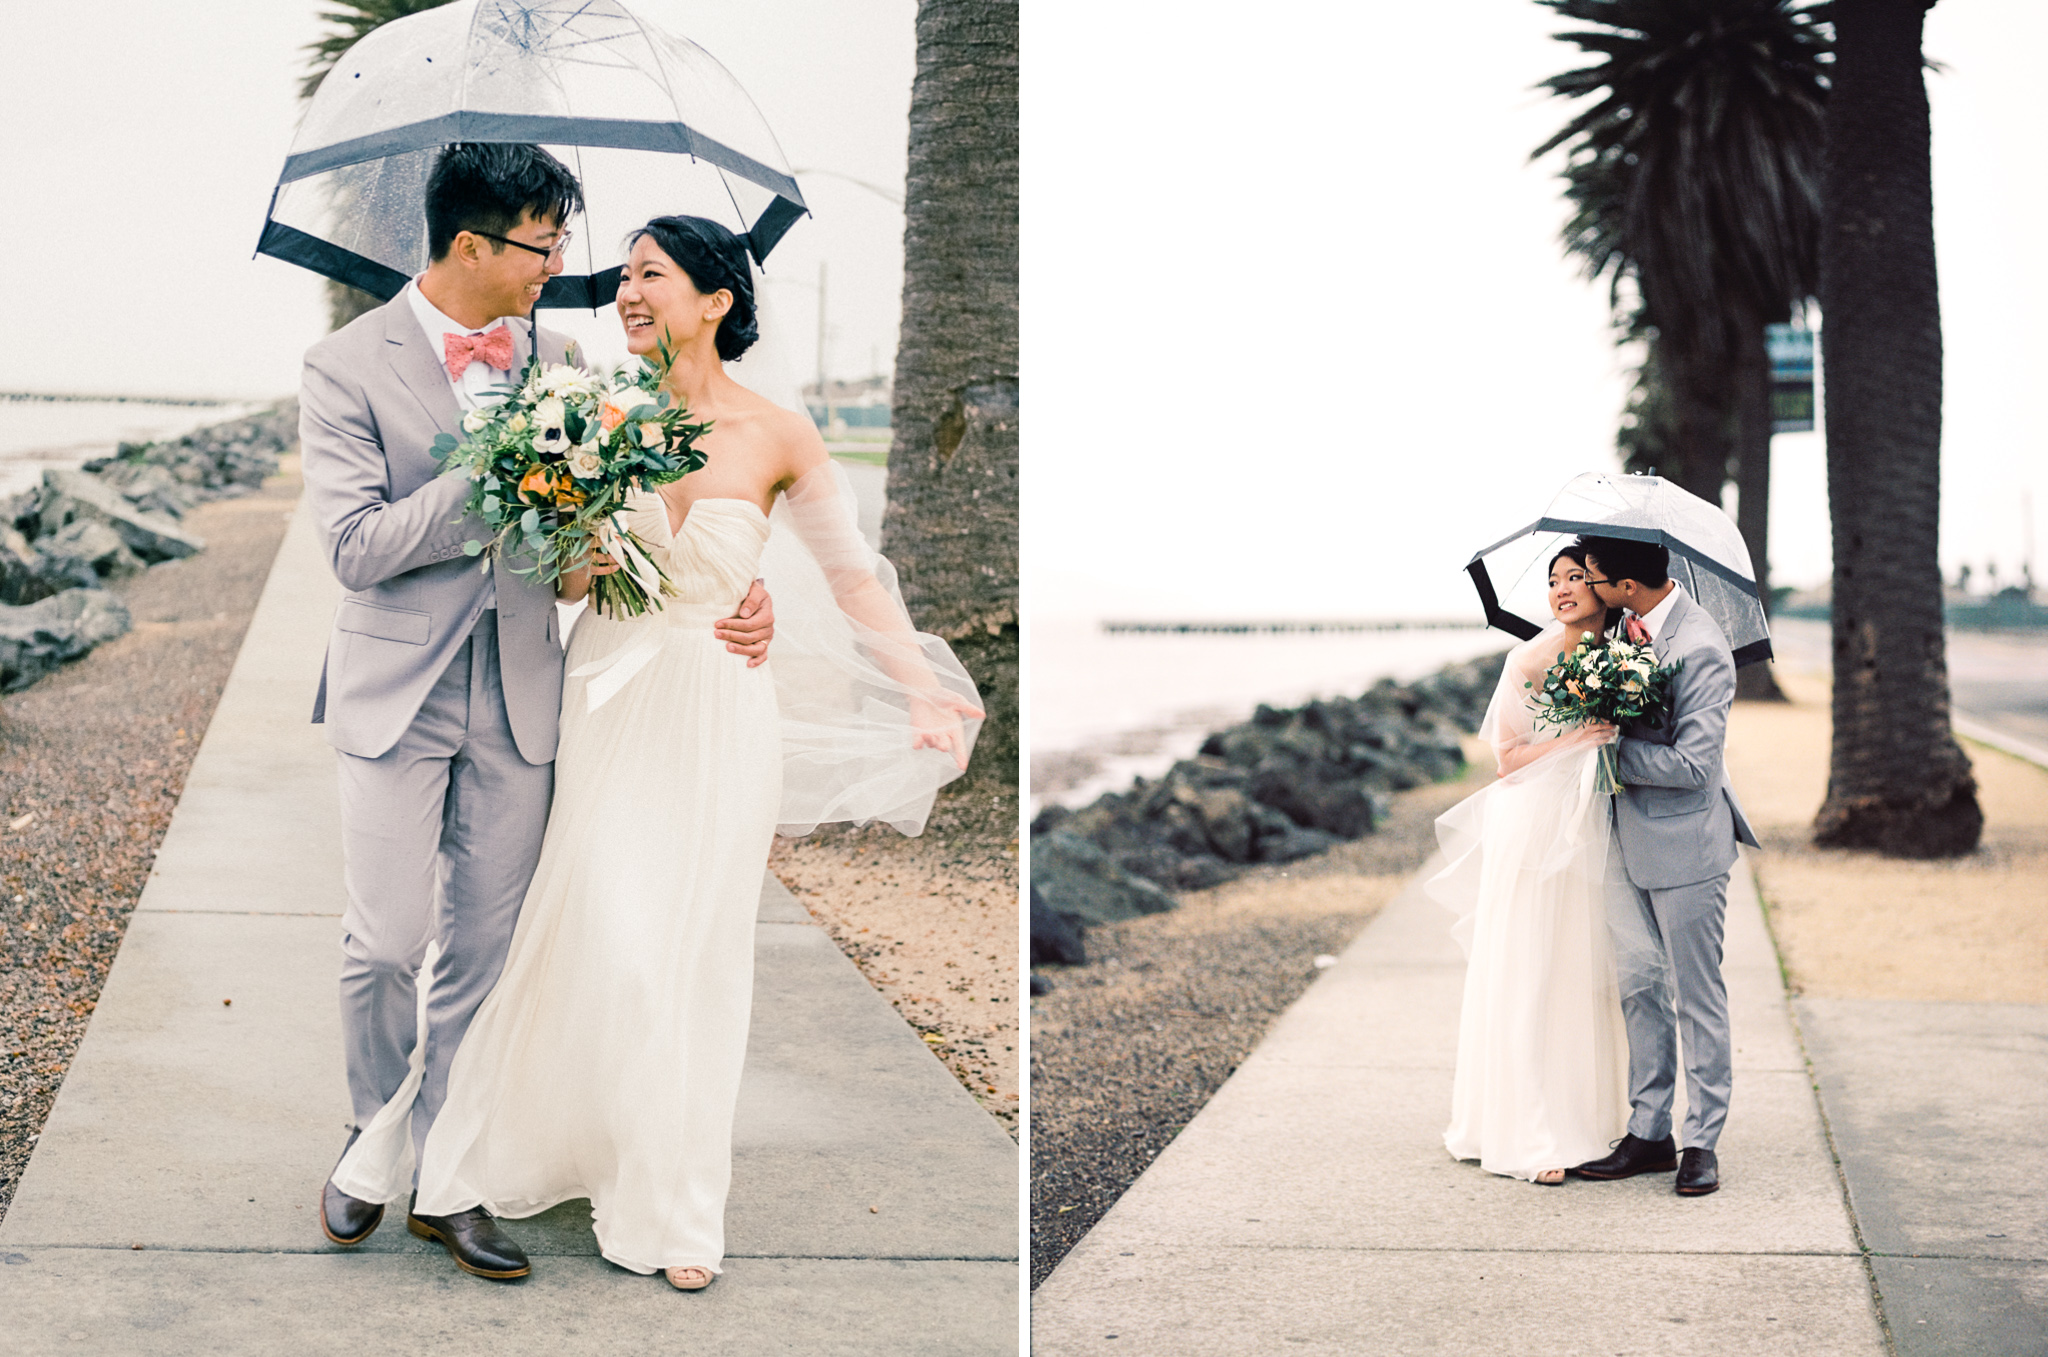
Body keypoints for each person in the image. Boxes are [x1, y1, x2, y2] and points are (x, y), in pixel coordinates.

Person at [407, 215, 984, 1290]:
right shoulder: (585, 413)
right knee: (612, 939)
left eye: (650, 274)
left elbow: (851, 579)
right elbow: (573, 586)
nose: (626, 291)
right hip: (611, 694)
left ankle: (668, 1207)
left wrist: (921, 690)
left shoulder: (779, 433)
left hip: (719, 706)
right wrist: (573, 523)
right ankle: (554, 1146)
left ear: (714, 299)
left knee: (693, 959)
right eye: (621, 276)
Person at [302, 146, 776, 1279]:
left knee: (485, 947)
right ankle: (374, 1137)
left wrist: (730, 589)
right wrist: (489, 472)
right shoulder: (342, 365)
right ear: (473, 244)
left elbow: (599, 540)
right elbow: (354, 550)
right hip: (395, 691)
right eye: (543, 245)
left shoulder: (563, 359)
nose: (561, 266)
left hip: (526, 689)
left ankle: (451, 1176)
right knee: (385, 943)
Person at [1566, 535, 1758, 1197]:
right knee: (1638, 985)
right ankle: (1649, 1130)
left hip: (1686, 845)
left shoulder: (1702, 647)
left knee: (1696, 995)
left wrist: (1609, 750)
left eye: (1593, 576)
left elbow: (1695, 766)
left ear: (1626, 583)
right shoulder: (1620, 625)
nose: (1586, 585)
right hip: (1623, 838)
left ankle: (1702, 1138)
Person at [1430, 547, 1631, 1184]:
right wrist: (1577, 736)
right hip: (1533, 824)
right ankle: (1528, 1132)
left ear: (1606, 587)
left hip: (1592, 823)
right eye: (1554, 581)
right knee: (1530, 968)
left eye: (1577, 578)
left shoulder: (1629, 655)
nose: (1563, 589)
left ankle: (1590, 1119)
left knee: (1583, 970)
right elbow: (1507, 759)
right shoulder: (1531, 656)